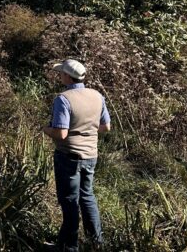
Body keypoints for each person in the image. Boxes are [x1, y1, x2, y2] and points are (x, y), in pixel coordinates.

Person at [42, 59, 111, 252]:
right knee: (87, 196)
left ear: (67, 76)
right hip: (91, 155)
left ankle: (68, 246)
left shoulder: (63, 99)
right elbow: (106, 127)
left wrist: (46, 129)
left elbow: (61, 133)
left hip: (68, 156)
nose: (60, 76)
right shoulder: (97, 96)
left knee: (69, 200)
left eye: (61, 73)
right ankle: (95, 242)